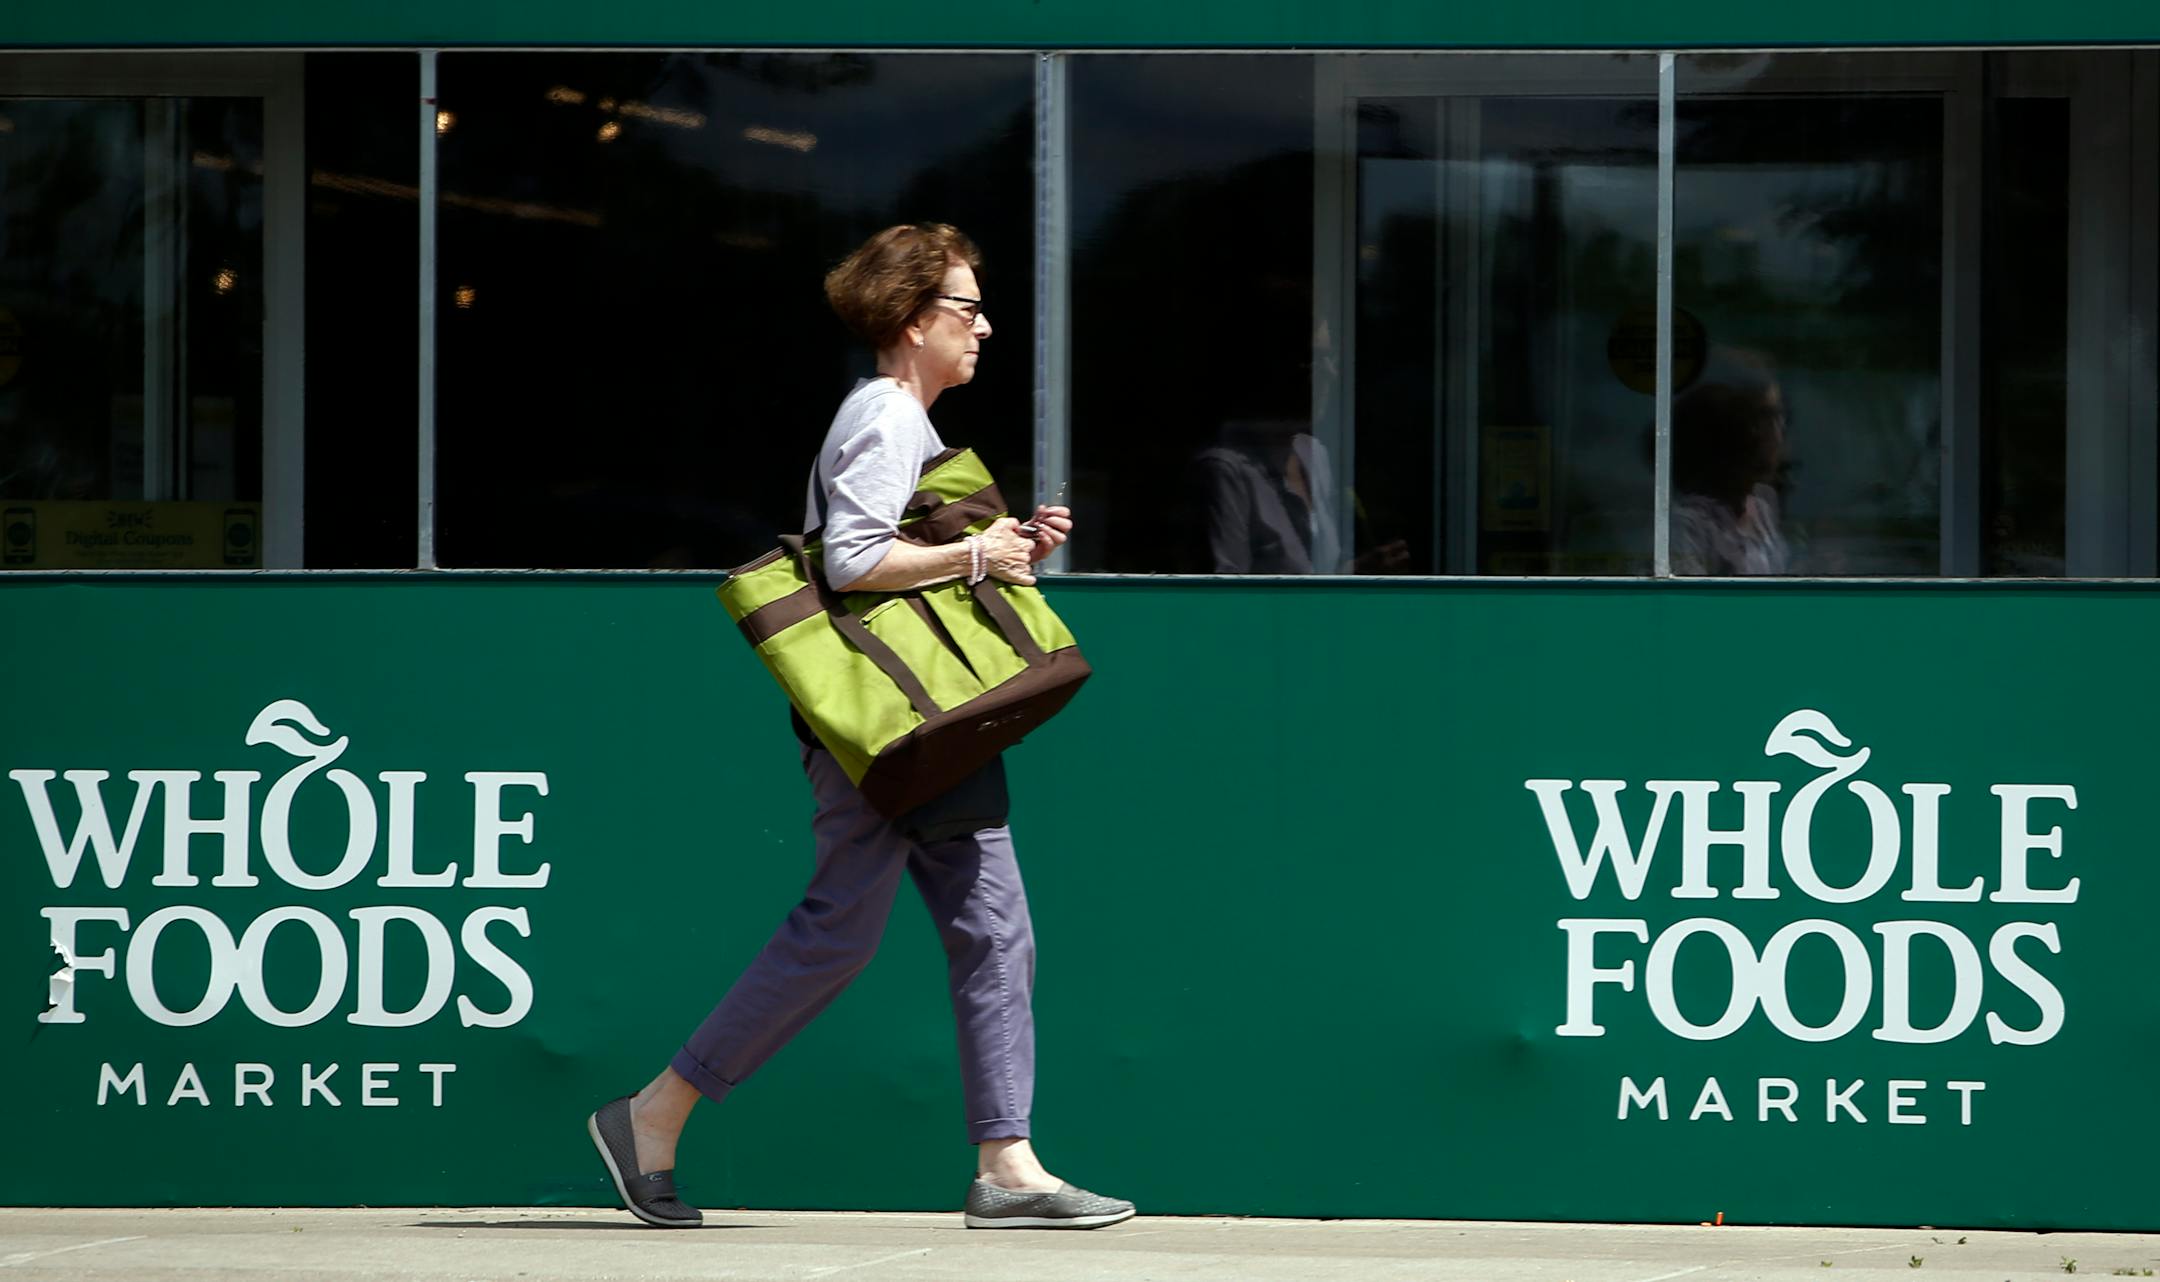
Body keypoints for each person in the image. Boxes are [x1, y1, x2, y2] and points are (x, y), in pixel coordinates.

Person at [585, 223, 1134, 1232]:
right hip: (892, 733)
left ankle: (1001, 1162)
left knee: (959, 933)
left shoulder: (900, 420)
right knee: (883, 934)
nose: (985, 326)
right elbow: (850, 562)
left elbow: (898, 555)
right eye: (967, 310)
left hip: (910, 733)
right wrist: (976, 560)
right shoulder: (883, 415)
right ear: (914, 320)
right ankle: (656, 1114)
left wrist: (1002, 546)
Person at [1669, 350, 1792, 576]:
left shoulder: (1762, 506)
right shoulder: (1688, 526)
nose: (1779, 433)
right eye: (1768, 416)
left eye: (1782, 418)